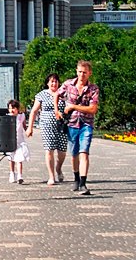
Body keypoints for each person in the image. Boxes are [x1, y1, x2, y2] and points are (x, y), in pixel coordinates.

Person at [59, 60, 100, 195]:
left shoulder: (93, 89)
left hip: (86, 124)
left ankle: (83, 183)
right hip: (72, 123)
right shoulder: (68, 84)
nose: (82, 75)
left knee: (84, 151)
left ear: (89, 73)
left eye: (85, 72)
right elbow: (56, 95)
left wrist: (73, 106)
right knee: (74, 154)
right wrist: (56, 111)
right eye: (80, 72)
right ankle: (76, 178)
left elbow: (93, 109)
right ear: (76, 71)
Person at [26, 73, 68, 185]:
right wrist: (30, 127)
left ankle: (58, 168)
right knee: (49, 150)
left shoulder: (63, 94)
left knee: (62, 151)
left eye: (56, 81)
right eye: (51, 81)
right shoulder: (42, 95)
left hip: (61, 125)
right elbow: (34, 111)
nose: (54, 83)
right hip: (47, 125)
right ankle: (51, 176)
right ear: (48, 83)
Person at [7, 99, 28, 183]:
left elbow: (24, 125)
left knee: (19, 158)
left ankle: (20, 175)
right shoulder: (7, 117)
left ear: (17, 109)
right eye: (10, 108)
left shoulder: (21, 116)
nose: (12, 110)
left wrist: (27, 130)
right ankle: (12, 173)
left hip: (19, 140)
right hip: (9, 140)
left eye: (13, 108)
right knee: (11, 158)